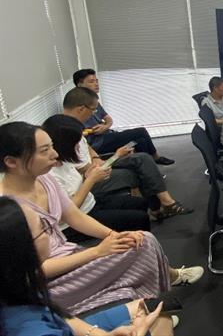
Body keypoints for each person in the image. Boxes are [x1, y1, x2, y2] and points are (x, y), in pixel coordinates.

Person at [0, 121, 204, 315]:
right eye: (44, 151)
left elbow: (73, 215)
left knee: (139, 241)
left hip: (68, 256)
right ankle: (147, 305)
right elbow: (34, 271)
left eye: (51, 147)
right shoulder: (7, 210)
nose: (54, 154)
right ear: (11, 162)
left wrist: (113, 235)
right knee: (142, 245)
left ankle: (147, 305)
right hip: (50, 284)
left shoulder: (45, 179)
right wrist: (97, 251)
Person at [0, 196, 173, 336]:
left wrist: (98, 333)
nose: (50, 232)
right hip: (67, 273)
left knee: (153, 309)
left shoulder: (17, 287)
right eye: (43, 227)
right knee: (159, 320)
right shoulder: (32, 328)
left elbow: (56, 316)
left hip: (71, 268)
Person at [62, 87, 193, 220]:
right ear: (81, 109)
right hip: (90, 180)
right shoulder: (64, 132)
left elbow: (86, 145)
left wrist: (95, 156)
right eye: (93, 110)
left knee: (142, 158)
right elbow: (86, 172)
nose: (93, 114)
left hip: (97, 164)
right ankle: (160, 207)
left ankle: (163, 205)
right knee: (137, 171)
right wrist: (116, 155)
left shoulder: (72, 125)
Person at [42, 114, 150, 242]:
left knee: (140, 203)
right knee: (140, 218)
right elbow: (69, 212)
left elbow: (77, 183)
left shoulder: (64, 160)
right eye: (76, 144)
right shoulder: (49, 175)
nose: (79, 147)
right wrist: (91, 179)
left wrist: (88, 175)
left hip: (90, 203)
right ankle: (141, 247)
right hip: (75, 221)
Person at [73, 69, 174, 165]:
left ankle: (149, 167)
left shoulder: (93, 100)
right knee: (141, 131)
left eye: (96, 81)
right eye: (91, 82)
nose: (96, 84)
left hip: (108, 135)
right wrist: (92, 131)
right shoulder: (78, 106)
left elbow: (108, 119)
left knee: (140, 141)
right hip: (99, 143)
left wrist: (105, 126)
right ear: (80, 85)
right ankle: (156, 158)